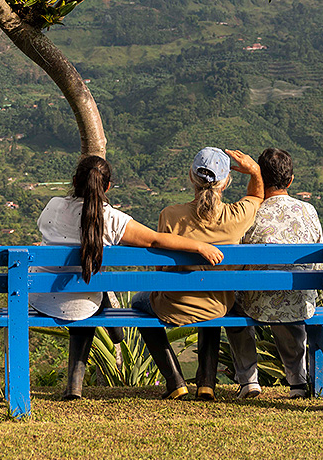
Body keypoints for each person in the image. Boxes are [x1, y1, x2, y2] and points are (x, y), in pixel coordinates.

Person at [34, 155, 224, 400]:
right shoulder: (112, 219)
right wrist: (198, 246)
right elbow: (155, 239)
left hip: (40, 296)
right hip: (83, 302)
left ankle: (74, 387)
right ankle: (109, 342)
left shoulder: (54, 205)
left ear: (74, 181)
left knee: (82, 294)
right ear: (108, 186)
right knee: (83, 300)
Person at [132, 147, 264, 400]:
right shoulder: (236, 216)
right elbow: (257, 196)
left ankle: (175, 382)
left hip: (173, 305)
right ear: (225, 182)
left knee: (137, 301)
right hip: (217, 305)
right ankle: (206, 384)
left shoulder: (170, 215)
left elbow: (162, 270)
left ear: (191, 177)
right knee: (210, 293)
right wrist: (254, 171)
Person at [226, 148, 323, 399]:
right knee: (291, 300)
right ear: (290, 180)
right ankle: (298, 382)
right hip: (298, 301)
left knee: (233, 305)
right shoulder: (308, 211)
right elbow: (321, 267)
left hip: (256, 303)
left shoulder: (249, 212)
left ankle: (248, 381)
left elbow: (236, 265)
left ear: (259, 179)